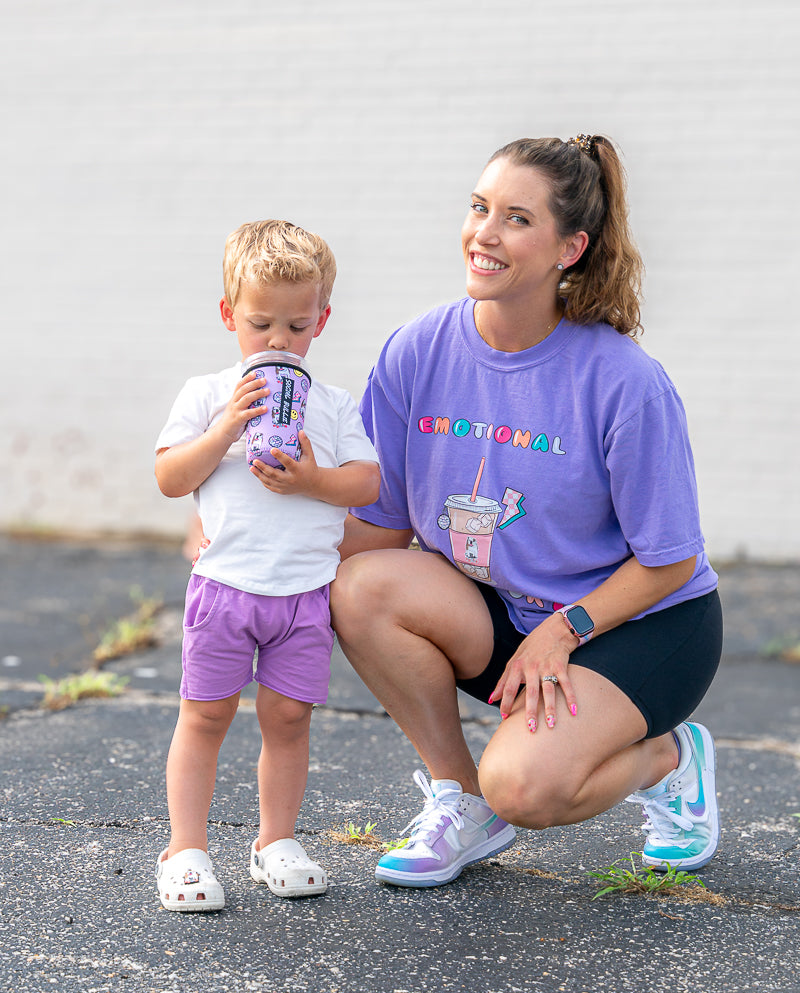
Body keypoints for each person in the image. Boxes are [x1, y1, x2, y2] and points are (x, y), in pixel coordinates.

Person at [331, 134, 723, 889]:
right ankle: (461, 798)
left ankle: (670, 758)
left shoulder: (624, 382)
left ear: (568, 248)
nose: (484, 232)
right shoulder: (417, 351)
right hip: (507, 616)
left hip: (639, 626)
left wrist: (562, 629)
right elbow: (376, 533)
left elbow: (670, 556)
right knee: (360, 586)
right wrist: (251, 540)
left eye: (515, 219)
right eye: (479, 208)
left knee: (530, 787)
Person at [154, 219, 380, 910]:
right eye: (260, 324)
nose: (279, 341)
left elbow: (367, 484)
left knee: (288, 720)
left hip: (302, 596)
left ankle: (274, 840)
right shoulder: (204, 393)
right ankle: (185, 848)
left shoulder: (333, 405)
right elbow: (168, 476)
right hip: (225, 590)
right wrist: (225, 428)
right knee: (206, 714)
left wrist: (314, 481)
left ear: (322, 321)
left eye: (297, 325)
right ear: (229, 316)